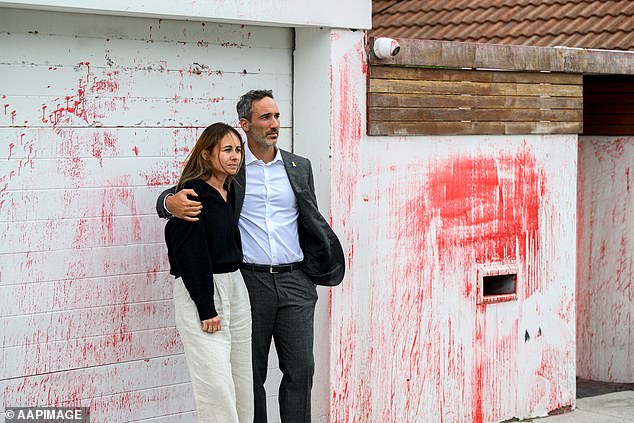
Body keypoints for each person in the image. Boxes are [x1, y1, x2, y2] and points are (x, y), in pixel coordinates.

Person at [157, 90, 345, 423]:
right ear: (245, 124)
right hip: (250, 282)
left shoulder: (300, 167)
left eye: (276, 116)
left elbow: (309, 218)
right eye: (265, 117)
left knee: (301, 371)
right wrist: (167, 204)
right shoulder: (233, 169)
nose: (274, 124)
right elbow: (191, 188)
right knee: (249, 374)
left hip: (296, 282)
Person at [164, 122, 253, 423]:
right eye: (226, 150)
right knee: (216, 387)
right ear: (205, 154)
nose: (235, 156)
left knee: (242, 382)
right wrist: (206, 306)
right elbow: (189, 253)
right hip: (203, 290)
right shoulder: (191, 194)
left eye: (238, 150)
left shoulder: (231, 188)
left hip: (235, 287)